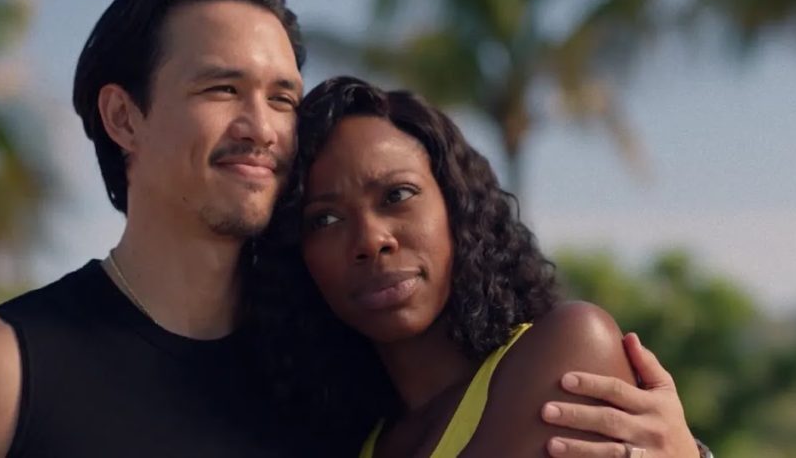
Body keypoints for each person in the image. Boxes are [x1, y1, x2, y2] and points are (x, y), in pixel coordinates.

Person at [0, 0, 707, 458]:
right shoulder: (13, 366)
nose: (262, 126)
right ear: (123, 118)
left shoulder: (326, 387)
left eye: (281, 98)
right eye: (220, 90)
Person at [248, 76, 709, 457]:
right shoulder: (364, 440)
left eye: (397, 195)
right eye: (324, 219)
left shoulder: (568, 346)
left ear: (456, 206)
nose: (371, 240)